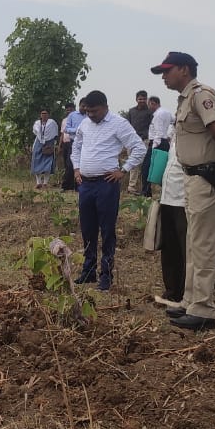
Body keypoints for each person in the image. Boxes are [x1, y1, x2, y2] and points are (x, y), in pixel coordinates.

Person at [152, 51, 215, 331]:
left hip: (208, 176)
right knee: (193, 240)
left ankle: (204, 309)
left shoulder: (201, 95)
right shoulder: (184, 99)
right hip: (193, 177)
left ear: (184, 69)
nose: (164, 76)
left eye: (167, 71)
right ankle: (191, 301)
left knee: (203, 243)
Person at [70, 90, 146, 292]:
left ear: (105, 106)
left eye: (94, 111)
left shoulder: (119, 124)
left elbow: (139, 148)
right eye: (87, 111)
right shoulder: (84, 124)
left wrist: (124, 170)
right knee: (87, 228)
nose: (91, 115)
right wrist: (77, 167)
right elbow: (76, 147)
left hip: (106, 184)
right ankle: (88, 271)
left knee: (107, 229)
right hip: (85, 184)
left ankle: (106, 274)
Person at [155, 142, 187, 309]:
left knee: (186, 250)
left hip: (185, 202)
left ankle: (187, 295)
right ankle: (172, 292)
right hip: (167, 198)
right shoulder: (174, 138)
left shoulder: (198, 138)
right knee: (169, 248)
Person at [142, 95, 175, 198]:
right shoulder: (167, 112)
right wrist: (170, 136)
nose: (148, 107)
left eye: (149, 104)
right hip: (165, 142)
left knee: (147, 167)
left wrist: (154, 147)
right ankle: (166, 191)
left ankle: (146, 192)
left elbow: (158, 132)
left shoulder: (158, 115)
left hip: (157, 142)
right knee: (162, 168)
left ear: (153, 103)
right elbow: (175, 121)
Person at [125, 91, 152, 195]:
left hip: (144, 140)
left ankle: (144, 188)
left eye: (144, 99)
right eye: (140, 99)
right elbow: (127, 125)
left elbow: (151, 126)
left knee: (144, 165)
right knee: (133, 163)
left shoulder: (150, 112)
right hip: (132, 141)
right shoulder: (131, 111)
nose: (142, 101)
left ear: (146, 99)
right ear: (136, 99)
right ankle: (131, 187)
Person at [60, 99, 87, 192]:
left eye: (86, 106)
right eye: (83, 106)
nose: (84, 108)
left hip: (86, 144)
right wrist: (77, 130)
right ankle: (66, 186)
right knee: (70, 165)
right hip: (73, 142)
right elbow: (66, 129)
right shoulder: (72, 115)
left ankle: (79, 187)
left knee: (82, 165)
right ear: (79, 105)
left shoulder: (89, 116)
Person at [30, 108, 59, 189]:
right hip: (38, 143)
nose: (44, 115)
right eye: (42, 113)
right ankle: (38, 182)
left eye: (45, 113)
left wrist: (53, 143)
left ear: (48, 115)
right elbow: (35, 132)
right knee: (36, 161)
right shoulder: (37, 123)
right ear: (40, 114)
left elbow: (55, 132)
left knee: (48, 163)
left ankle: (45, 183)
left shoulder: (52, 123)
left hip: (49, 144)